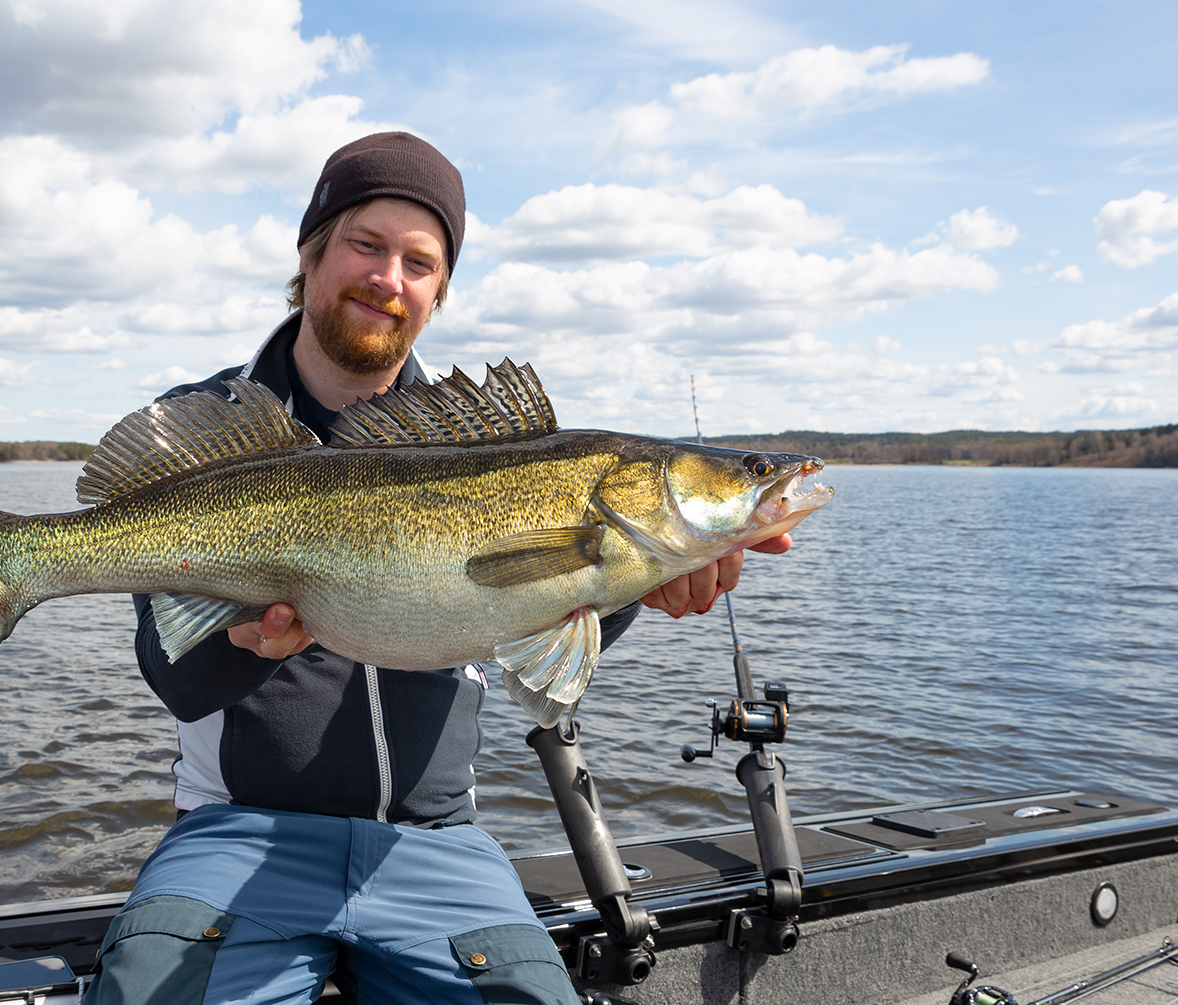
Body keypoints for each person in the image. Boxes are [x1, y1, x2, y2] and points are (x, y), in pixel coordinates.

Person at [85, 132, 791, 1005]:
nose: (390, 278)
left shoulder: (501, 444)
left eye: (420, 262)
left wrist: (640, 583)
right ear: (309, 257)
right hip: (236, 832)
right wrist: (243, 642)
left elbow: (539, 626)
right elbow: (177, 680)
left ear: (438, 293)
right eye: (366, 245)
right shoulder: (209, 432)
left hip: (435, 844)